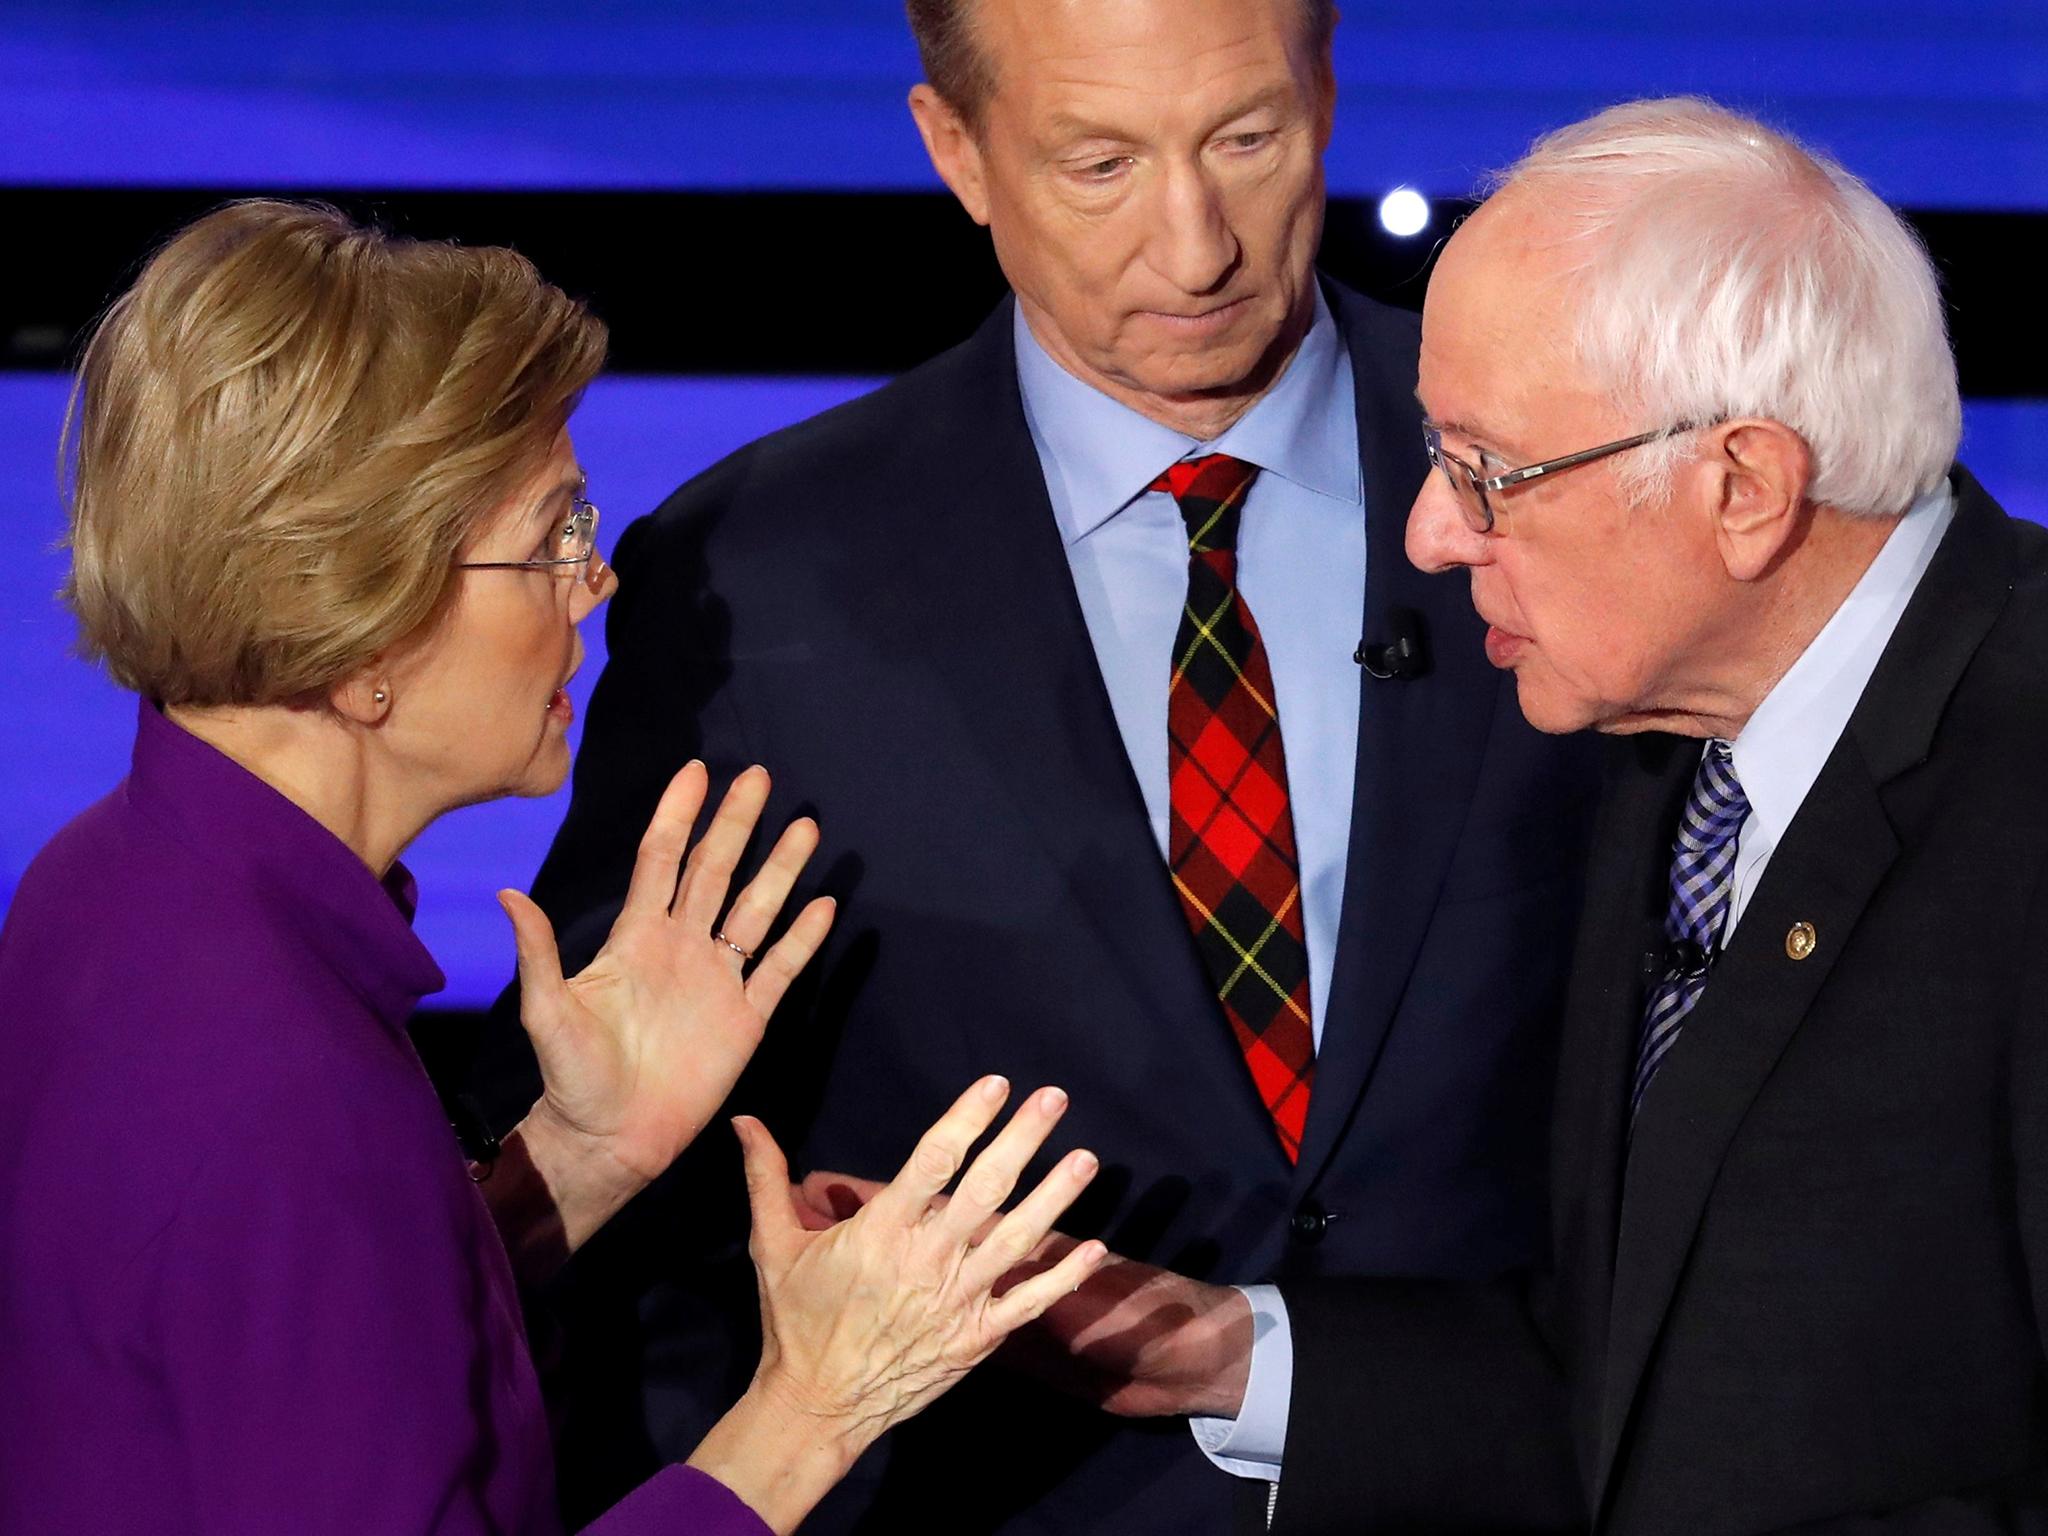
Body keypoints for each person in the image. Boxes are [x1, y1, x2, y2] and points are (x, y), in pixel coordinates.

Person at [467, 0, 1601, 1530]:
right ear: (957, 150)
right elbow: (654, 1206)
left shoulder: (1586, 478)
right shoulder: (756, 579)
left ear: (1328, 93)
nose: (1194, 247)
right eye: (1099, 166)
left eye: (1247, 140)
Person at [991, 95, 2048, 1531]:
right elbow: (1652, 1373)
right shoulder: (1669, 764)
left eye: (1487, 470)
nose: (1430, 533)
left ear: (1742, 487)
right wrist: (1223, 1354)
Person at [0, 199, 1107, 1536]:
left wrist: (572, 1165)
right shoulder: (280, 1080)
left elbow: (301, 1388)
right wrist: (812, 1406)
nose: (596, 585)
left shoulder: (105, 884)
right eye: (554, 534)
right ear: (363, 630)